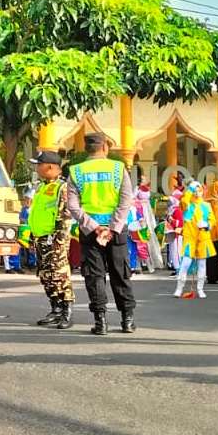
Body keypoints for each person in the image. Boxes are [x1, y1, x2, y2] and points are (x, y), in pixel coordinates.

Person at [66, 132, 136, 335]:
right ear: (105, 147)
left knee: (94, 276)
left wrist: (94, 227)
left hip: (90, 232)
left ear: (87, 149)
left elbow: (73, 206)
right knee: (120, 273)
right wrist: (113, 227)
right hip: (117, 231)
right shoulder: (118, 168)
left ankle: (100, 322)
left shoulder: (76, 171)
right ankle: (127, 320)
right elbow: (126, 200)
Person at [27, 151, 75, 329]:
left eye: (39, 165)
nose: (37, 168)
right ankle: (55, 309)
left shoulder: (62, 187)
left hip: (54, 239)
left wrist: (59, 239)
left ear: (50, 167)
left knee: (59, 274)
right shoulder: (41, 186)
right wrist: (33, 235)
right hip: (41, 237)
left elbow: (65, 215)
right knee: (46, 275)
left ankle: (66, 311)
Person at [174, 181, 214, 299]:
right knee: (185, 263)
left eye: (199, 189)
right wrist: (190, 190)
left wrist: (206, 225)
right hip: (189, 237)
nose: (198, 192)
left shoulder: (206, 205)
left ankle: (200, 289)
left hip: (203, 238)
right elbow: (183, 202)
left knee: (202, 264)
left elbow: (212, 219)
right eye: (195, 190)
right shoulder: (188, 205)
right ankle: (179, 288)